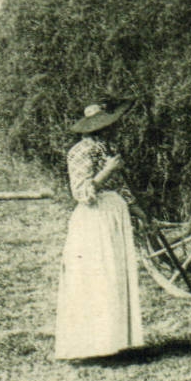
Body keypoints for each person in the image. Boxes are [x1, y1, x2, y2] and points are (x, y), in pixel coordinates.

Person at [54, 98, 145, 360]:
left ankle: (115, 342)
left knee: (115, 273)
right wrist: (107, 171)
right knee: (96, 275)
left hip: (115, 214)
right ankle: (92, 344)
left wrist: (140, 212)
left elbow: (122, 187)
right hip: (94, 218)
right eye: (105, 127)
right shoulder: (80, 152)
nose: (110, 130)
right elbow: (82, 193)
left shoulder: (108, 149)